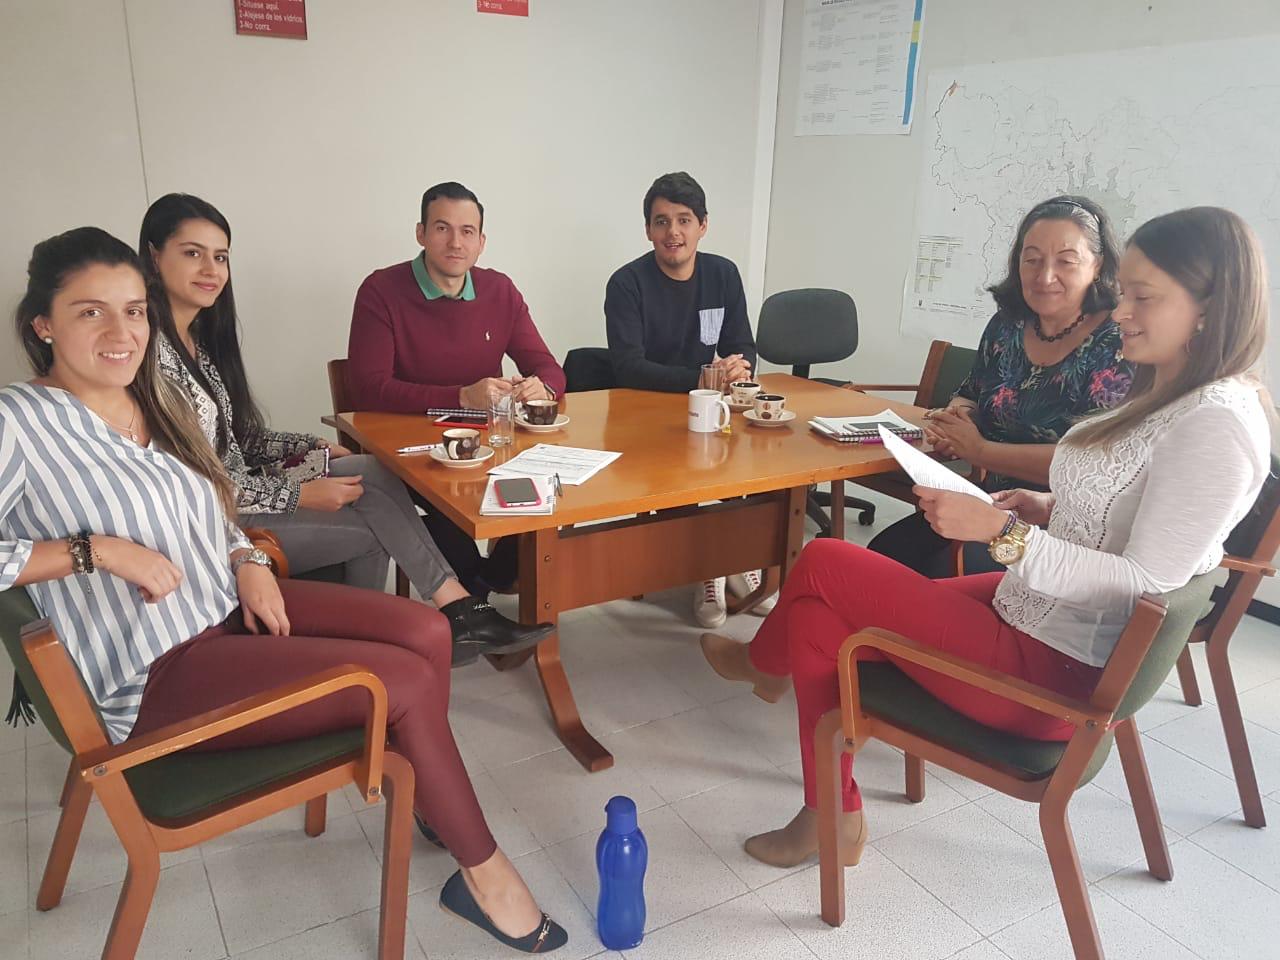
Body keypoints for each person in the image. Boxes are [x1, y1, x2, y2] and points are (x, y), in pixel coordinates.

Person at [2, 227, 567, 952]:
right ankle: (487, 877)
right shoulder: (20, 422)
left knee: (428, 630)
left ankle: (431, 791)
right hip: (158, 672)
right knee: (399, 683)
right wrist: (94, 551)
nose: (122, 331)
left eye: (134, 310)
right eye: (91, 312)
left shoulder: (146, 399)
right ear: (43, 323)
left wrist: (247, 559)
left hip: (225, 605)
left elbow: (211, 505)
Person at [701, 206, 1271, 870]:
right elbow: (1128, 507)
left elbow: (1144, 585)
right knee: (818, 619)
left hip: (1054, 676)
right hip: (1035, 614)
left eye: (1144, 297)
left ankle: (768, 677)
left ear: (1210, 307)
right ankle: (829, 812)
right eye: (1128, 293)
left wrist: (1004, 534)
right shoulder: (1172, 392)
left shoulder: (1217, 425)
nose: (1122, 312)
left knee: (825, 561)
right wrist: (1048, 504)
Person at [141, 193, 548, 668]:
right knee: (378, 522)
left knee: (371, 470)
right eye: (192, 254)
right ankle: (406, 632)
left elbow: (235, 440)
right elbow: (189, 484)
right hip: (218, 524)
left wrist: (311, 448)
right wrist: (301, 496)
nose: (210, 269)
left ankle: (457, 610)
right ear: (153, 256)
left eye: (220, 257)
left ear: (481, 241)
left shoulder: (196, 343)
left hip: (242, 494)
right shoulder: (149, 357)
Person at [863, 196, 1134, 578]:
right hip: (984, 500)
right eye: (1033, 259)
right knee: (880, 556)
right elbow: (972, 390)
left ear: (1098, 265)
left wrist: (981, 450)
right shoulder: (1008, 324)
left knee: (940, 574)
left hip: (1062, 527)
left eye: (1066, 261)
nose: (1045, 276)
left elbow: (1089, 464)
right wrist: (957, 419)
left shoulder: (1119, 343)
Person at [348, 181, 565, 598]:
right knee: (448, 502)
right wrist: (462, 397)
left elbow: (548, 367)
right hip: (410, 447)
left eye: (467, 232)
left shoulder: (500, 290)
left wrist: (542, 387)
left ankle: (497, 582)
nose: (455, 242)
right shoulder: (380, 290)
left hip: (486, 442)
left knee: (551, 486)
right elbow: (368, 389)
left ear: (481, 242)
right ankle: (477, 598)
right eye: (442, 228)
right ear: (421, 233)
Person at [604, 171, 769, 627]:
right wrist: (705, 377)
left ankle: (737, 560)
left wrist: (738, 368)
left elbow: (744, 344)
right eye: (661, 222)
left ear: (703, 225)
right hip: (643, 414)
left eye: (683, 220)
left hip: (708, 405)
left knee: (760, 461)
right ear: (648, 230)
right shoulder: (627, 284)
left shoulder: (722, 273)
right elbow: (627, 367)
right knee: (689, 474)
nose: (672, 232)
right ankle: (709, 570)